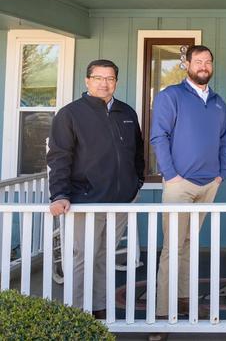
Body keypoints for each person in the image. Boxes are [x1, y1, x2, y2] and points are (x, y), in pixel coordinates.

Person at [47, 59, 144, 319]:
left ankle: (99, 308)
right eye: (98, 78)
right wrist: (59, 194)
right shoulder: (70, 114)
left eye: (110, 78)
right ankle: (77, 314)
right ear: (87, 81)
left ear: (116, 82)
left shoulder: (127, 113)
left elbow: (138, 154)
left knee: (104, 257)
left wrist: (137, 184)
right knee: (82, 258)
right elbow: (59, 157)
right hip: (85, 201)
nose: (104, 83)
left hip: (121, 202)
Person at [151, 45, 226, 320]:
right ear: (187, 64)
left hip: (209, 184)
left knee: (189, 244)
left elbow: (224, 139)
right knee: (172, 248)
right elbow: (159, 137)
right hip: (179, 185)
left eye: (208, 61)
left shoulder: (218, 101)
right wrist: (171, 175)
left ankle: (183, 300)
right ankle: (162, 314)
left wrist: (222, 173)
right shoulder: (171, 96)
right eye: (198, 61)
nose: (204, 66)